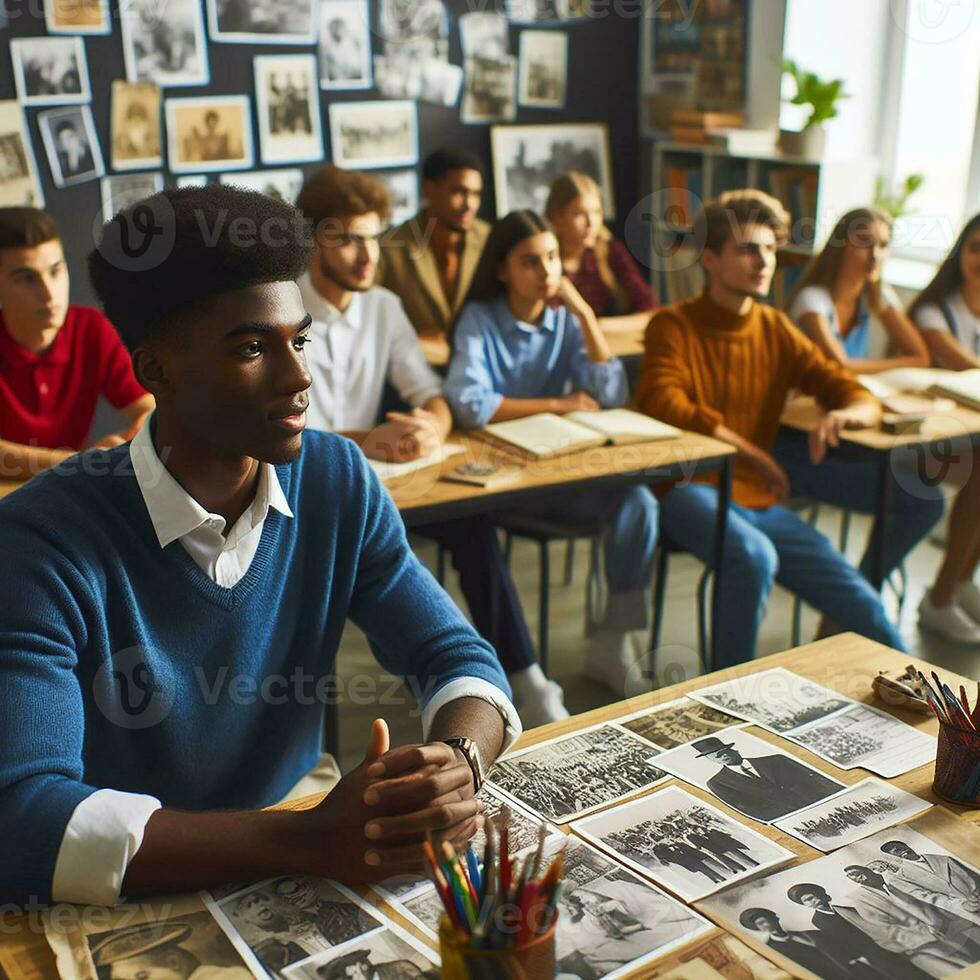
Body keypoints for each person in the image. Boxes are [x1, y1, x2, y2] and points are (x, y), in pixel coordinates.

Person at [0, 185, 520, 905]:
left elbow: (457, 656)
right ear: (155, 373)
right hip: (131, 874)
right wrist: (307, 841)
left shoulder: (338, 480)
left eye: (299, 339)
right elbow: (22, 817)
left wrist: (458, 762)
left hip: (303, 823)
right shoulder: (40, 537)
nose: (299, 376)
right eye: (252, 347)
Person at [295, 165, 566, 726]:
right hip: (308, 489)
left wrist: (432, 427)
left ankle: (524, 677)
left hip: (382, 483)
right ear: (312, 240)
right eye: (346, 240)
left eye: (372, 237)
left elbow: (431, 393)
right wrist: (370, 438)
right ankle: (312, 743)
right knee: (322, 577)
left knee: (473, 523)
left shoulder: (383, 306)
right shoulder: (282, 308)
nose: (367, 254)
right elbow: (289, 431)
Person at [634, 191, 904, 668]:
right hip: (685, 486)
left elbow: (849, 389)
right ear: (710, 258)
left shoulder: (774, 327)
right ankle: (727, 697)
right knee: (754, 557)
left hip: (756, 498)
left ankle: (952, 722)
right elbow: (666, 403)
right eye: (747, 249)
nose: (764, 262)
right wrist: (755, 455)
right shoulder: (671, 325)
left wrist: (845, 414)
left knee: (864, 606)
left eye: (770, 249)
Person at [444, 210, 660, 694]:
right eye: (530, 262)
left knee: (640, 501)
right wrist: (559, 402)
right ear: (501, 269)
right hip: (499, 482)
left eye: (552, 258)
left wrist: (584, 315)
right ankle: (523, 672)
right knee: (474, 536)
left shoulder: (566, 318)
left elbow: (608, 395)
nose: (547, 274)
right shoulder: (481, 318)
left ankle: (612, 639)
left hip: (556, 474)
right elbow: (470, 402)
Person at [773, 206, 945, 632]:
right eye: (864, 241)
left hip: (850, 435)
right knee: (921, 498)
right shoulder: (814, 302)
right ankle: (850, 609)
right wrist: (873, 368)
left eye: (884, 245)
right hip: (796, 444)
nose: (875, 255)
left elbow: (920, 355)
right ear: (839, 246)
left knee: (923, 489)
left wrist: (861, 368)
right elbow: (839, 368)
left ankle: (847, 608)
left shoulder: (877, 296)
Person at [0, 206, 153, 478]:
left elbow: (149, 406)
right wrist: (79, 461)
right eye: (26, 279)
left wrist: (124, 443)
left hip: (67, 490)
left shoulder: (90, 328)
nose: (49, 293)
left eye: (56, 271)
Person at [907, 214, 980, 642]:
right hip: (924, 444)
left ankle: (960, 582)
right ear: (960, 253)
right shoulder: (935, 309)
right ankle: (939, 598)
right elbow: (958, 361)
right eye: (974, 248)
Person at [379, 147, 489, 341]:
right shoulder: (389, 246)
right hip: (412, 364)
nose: (469, 204)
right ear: (429, 189)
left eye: (476, 194)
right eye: (459, 192)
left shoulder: (490, 238)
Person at [545, 171, 657, 335]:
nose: (591, 223)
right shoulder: (545, 262)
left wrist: (597, 325)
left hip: (611, 345)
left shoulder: (609, 250)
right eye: (579, 214)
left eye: (596, 212)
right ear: (557, 217)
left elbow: (650, 311)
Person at [842, 864, 980, 972]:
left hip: (952, 928)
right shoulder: (862, 900)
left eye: (860, 874)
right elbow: (886, 928)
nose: (861, 878)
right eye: (855, 878)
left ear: (868, 870)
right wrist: (926, 933)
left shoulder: (894, 881)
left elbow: (929, 899)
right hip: (925, 943)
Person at [787, 881, 930, 980]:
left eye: (814, 895)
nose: (814, 900)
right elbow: (839, 941)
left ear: (821, 893)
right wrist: (859, 956)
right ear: (805, 905)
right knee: (901, 974)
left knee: (922, 969)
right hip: (871, 952)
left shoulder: (844, 905)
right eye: (808, 900)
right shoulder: (818, 920)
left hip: (891, 941)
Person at [690, 735, 842, 822]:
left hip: (830, 805)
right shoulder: (717, 783)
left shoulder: (776, 760)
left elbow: (820, 781)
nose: (721, 756)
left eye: (723, 751)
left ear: (733, 749)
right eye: (714, 755)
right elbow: (751, 811)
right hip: (792, 821)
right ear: (710, 760)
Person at [738, 907, 852, 979]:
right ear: (758, 929)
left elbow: (842, 951)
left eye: (768, 919)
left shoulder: (812, 934)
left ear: (776, 919)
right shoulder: (772, 950)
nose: (767, 924)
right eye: (761, 923)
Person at [880, 840, 980, 920]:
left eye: (901, 847)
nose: (902, 851)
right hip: (961, 914)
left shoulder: (943, 858)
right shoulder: (902, 878)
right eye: (895, 852)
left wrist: (976, 894)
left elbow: (972, 877)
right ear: (893, 858)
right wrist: (962, 905)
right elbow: (929, 899)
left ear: (908, 846)